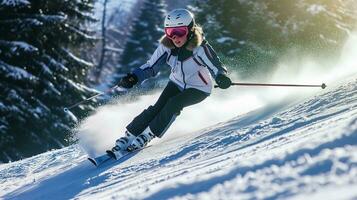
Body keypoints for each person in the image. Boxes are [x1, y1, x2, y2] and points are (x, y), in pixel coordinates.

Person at [112, 8, 232, 152]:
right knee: (157, 107)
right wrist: (134, 77)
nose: (175, 37)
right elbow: (151, 67)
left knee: (174, 103)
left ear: (190, 29)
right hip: (176, 82)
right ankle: (130, 135)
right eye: (170, 32)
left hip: (199, 88)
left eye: (179, 32)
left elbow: (216, 66)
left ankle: (148, 134)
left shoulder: (200, 48)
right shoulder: (166, 47)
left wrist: (221, 76)